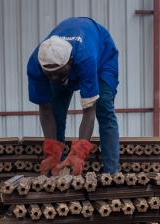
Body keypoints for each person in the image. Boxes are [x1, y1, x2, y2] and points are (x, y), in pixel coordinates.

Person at [27, 17, 120, 176]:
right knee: (56, 112)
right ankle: (56, 168)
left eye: (58, 74)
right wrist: (51, 151)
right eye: (51, 76)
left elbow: (89, 110)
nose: (55, 80)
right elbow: (45, 108)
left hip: (102, 55)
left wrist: (80, 152)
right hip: (69, 64)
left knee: (103, 106)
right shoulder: (36, 65)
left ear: (70, 61)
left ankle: (111, 174)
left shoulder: (86, 59)